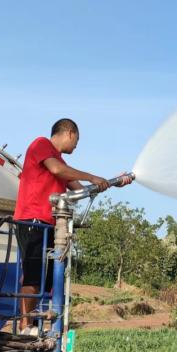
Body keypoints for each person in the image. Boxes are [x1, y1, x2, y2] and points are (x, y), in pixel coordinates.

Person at [13, 118, 109, 334]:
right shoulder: (41, 145)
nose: (76, 145)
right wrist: (92, 176)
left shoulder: (59, 161)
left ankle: (32, 322)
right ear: (69, 133)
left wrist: (110, 183)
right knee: (33, 272)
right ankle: (25, 324)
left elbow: (79, 190)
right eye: (77, 140)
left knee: (47, 277)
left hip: (50, 224)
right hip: (32, 219)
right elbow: (57, 170)